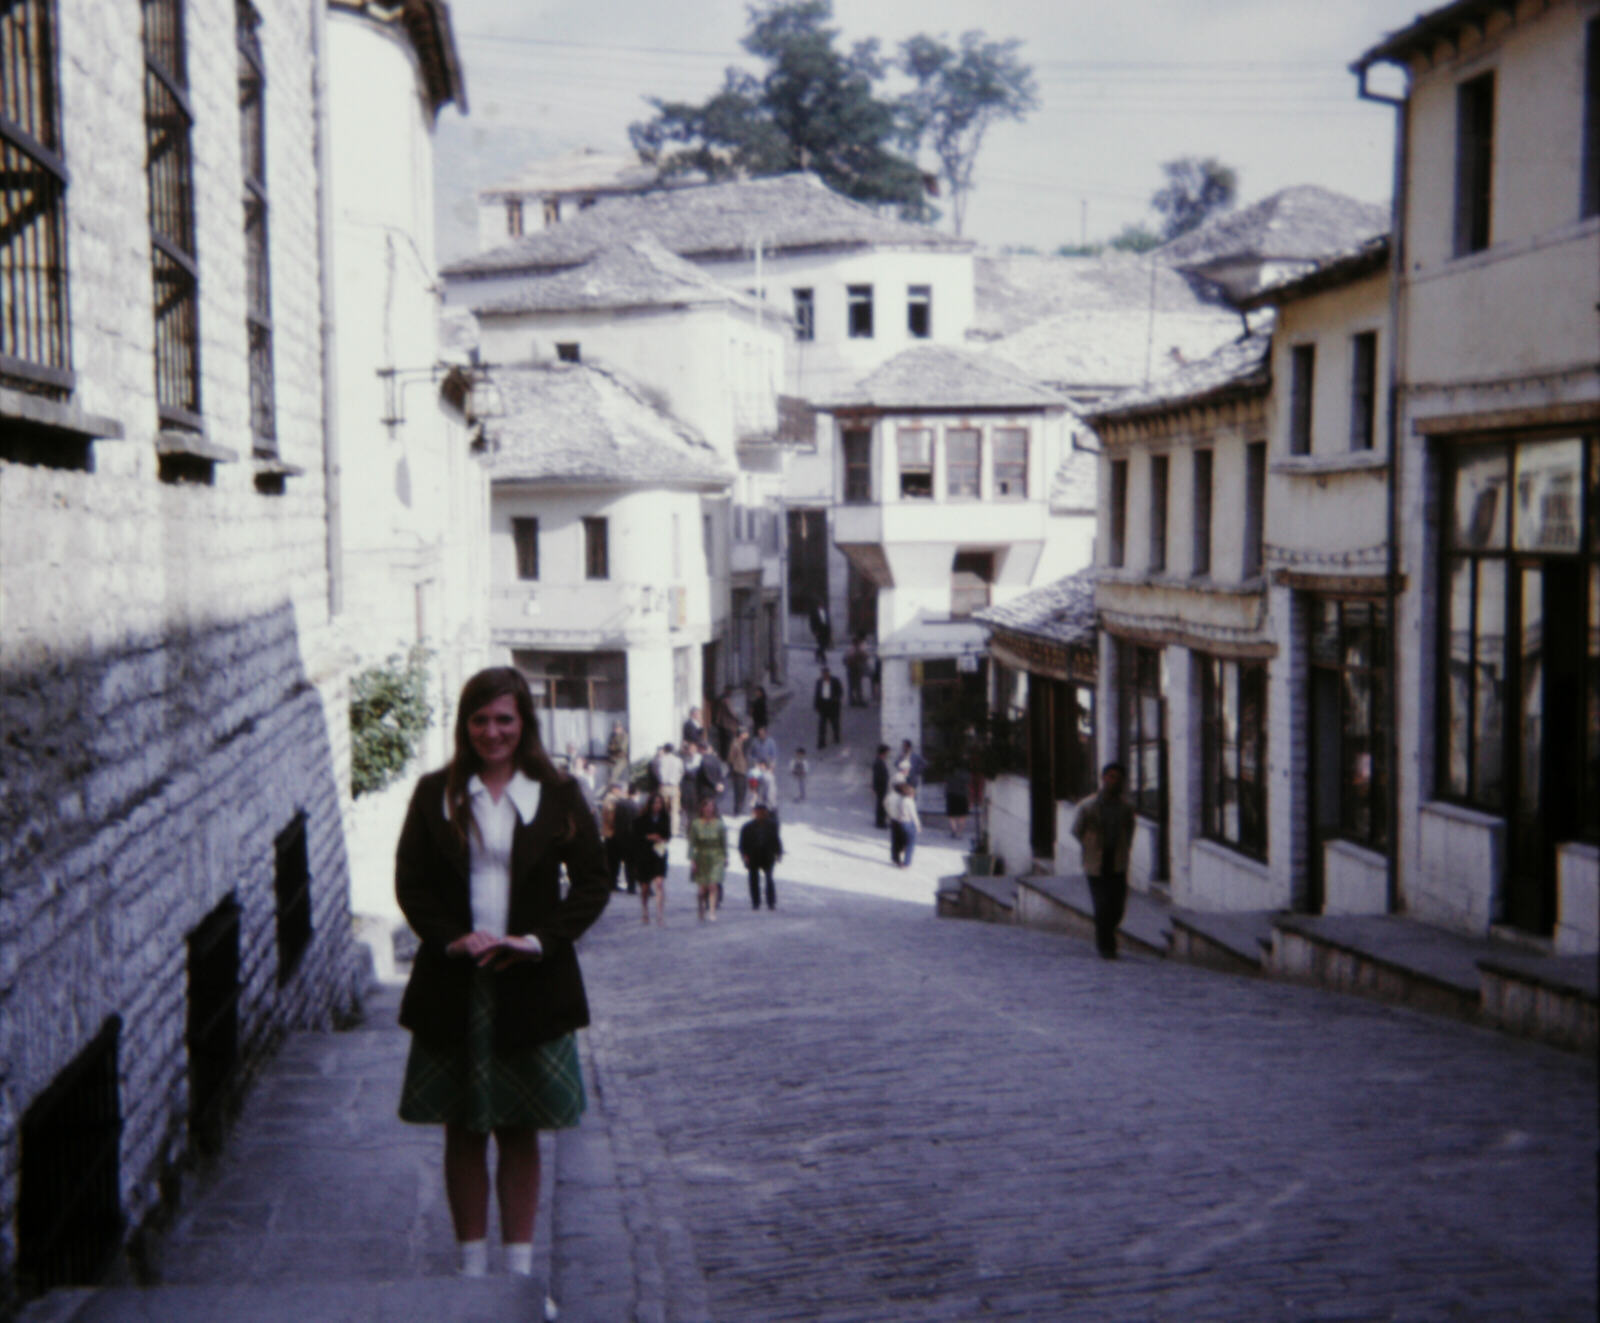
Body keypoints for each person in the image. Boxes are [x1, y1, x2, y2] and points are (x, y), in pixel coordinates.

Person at [394, 667, 609, 1291]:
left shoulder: (558, 793)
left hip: (530, 985)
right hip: (454, 985)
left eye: (505, 720)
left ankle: (516, 1277)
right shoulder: (436, 792)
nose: (493, 732)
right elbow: (410, 882)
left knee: (519, 1130)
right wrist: (449, 938)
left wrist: (540, 941)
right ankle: (469, 1273)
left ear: (524, 724)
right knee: (462, 1128)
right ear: (466, 724)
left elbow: (593, 882)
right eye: (481, 719)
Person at [1070, 762, 1137, 959]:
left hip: (1117, 861)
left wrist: (1124, 847)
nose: (1113, 781)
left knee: (1117, 907)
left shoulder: (1126, 807)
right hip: (1095, 863)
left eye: (1118, 778)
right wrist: (1090, 844)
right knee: (1102, 905)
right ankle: (1106, 945)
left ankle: (1108, 936)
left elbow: (1130, 830)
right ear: (1104, 778)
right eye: (1111, 777)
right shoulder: (1089, 806)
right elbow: (1077, 830)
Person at [632, 791, 672, 925]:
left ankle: (660, 914)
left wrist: (661, 838)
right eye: (655, 803)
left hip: (659, 853)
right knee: (644, 886)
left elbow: (668, 835)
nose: (657, 806)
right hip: (645, 854)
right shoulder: (641, 819)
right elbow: (636, 835)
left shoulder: (665, 818)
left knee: (660, 884)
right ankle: (645, 912)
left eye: (660, 803)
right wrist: (649, 837)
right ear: (650, 804)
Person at [687, 798, 727, 923]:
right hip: (701, 857)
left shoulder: (720, 824)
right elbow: (692, 844)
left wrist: (725, 857)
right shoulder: (696, 824)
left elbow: (723, 843)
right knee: (702, 889)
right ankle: (701, 908)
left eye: (711, 807)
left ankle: (712, 911)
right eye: (707, 806)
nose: (709, 809)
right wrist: (692, 860)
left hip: (716, 857)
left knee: (713, 885)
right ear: (702, 808)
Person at [738, 802, 784, 910]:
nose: (760, 814)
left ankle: (771, 901)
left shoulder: (772, 826)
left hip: (767, 855)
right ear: (754, 813)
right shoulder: (747, 827)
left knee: (769, 879)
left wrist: (778, 853)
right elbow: (742, 844)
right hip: (753, 855)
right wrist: (744, 856)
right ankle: (756, 902)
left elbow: (776, 840)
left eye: (763, 812)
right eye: (758, 812)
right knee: (753, 879)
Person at [885, 779, 920, 867]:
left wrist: (889, 814)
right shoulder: (904, 798)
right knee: (906, 841)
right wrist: (918, 825)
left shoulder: (890, 796)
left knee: (895, 840)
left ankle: (895, 858)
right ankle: (905, 861)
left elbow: (885, 805)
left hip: (894, 819)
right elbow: (913, 814)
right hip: (902, 821)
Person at [652, 743, 683, 836]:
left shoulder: (660, 760)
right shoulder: (678, 760)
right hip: (674, 786)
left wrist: (660, 779)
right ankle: (674, 831)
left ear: (664, 750)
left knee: (662, 809)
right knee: (675, 810)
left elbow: (656, 772)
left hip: (664, 786)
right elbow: (681, 772)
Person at [813, 666, 842, 749]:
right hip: (823, 706)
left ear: (829, 673)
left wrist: (836, 699)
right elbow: (817, 694)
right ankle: (821, 742)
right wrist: (816, 705)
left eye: (826, 674)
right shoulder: (819, 682)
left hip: (833, 706)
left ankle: (836, 736)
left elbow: (840, 692)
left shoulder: (835, 681)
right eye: (823, 674)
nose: (824, 675)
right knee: (822, 725)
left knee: (834, 723)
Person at [712, 688, 740, 760]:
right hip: (726, 725)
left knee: (722, 742)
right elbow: (730, 711)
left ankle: (722, 756)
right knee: (727, 742)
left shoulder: (720, 700)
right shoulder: (726, 700)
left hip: (721, 724)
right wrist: (737, 718)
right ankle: (726, 757)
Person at [945, 762, 972, 838]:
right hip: (962, 795)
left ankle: (954, 831)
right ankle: (959, 833)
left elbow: (947, 782)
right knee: (962, 815)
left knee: (951, 815)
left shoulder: (949, 773)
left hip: (951, 795)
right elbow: (968, 781)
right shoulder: (965, 774)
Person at [727, 728, 750, 817]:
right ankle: (736, 810)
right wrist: (732, 768)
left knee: (743, 789)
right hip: (738, 770)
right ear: (741, 735)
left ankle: (741, 808)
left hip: (744, 769)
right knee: (738, 791)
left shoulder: (744, 743)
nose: (747, 735)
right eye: (745, 733)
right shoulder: (735, 743)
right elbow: (730, 757)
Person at [872, 745, 892, 829]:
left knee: (881, 803)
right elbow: (876, 776)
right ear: (883, 753)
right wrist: (875, 787)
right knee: (881, 804)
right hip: (880, 786)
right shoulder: (878, 762)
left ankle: (881, 820)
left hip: (882, 786)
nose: (888, 754)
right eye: (887, 752)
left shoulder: (880, 761)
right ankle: (880, 822)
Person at [844, 638, 868, 707]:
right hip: (854, 669)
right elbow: (865, 658)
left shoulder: (852, 650)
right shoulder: (852, 650)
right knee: (855, 686)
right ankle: (856, 700)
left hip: (855, 669)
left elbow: (865, 658)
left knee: (855, 686)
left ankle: (855, 700)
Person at [606, 721, 630, 788]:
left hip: (621, 759)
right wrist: (613, 748)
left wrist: (613, 748)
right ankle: (610, 789)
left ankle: (611, 790)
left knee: (613, 775)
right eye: (614, 728)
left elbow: (621, 749)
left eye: (617, 727)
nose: (615, 729)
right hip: (612, 758)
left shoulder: (625, 736)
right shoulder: (612, 735)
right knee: (609, 776)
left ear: (621, 728)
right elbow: (609, 748)